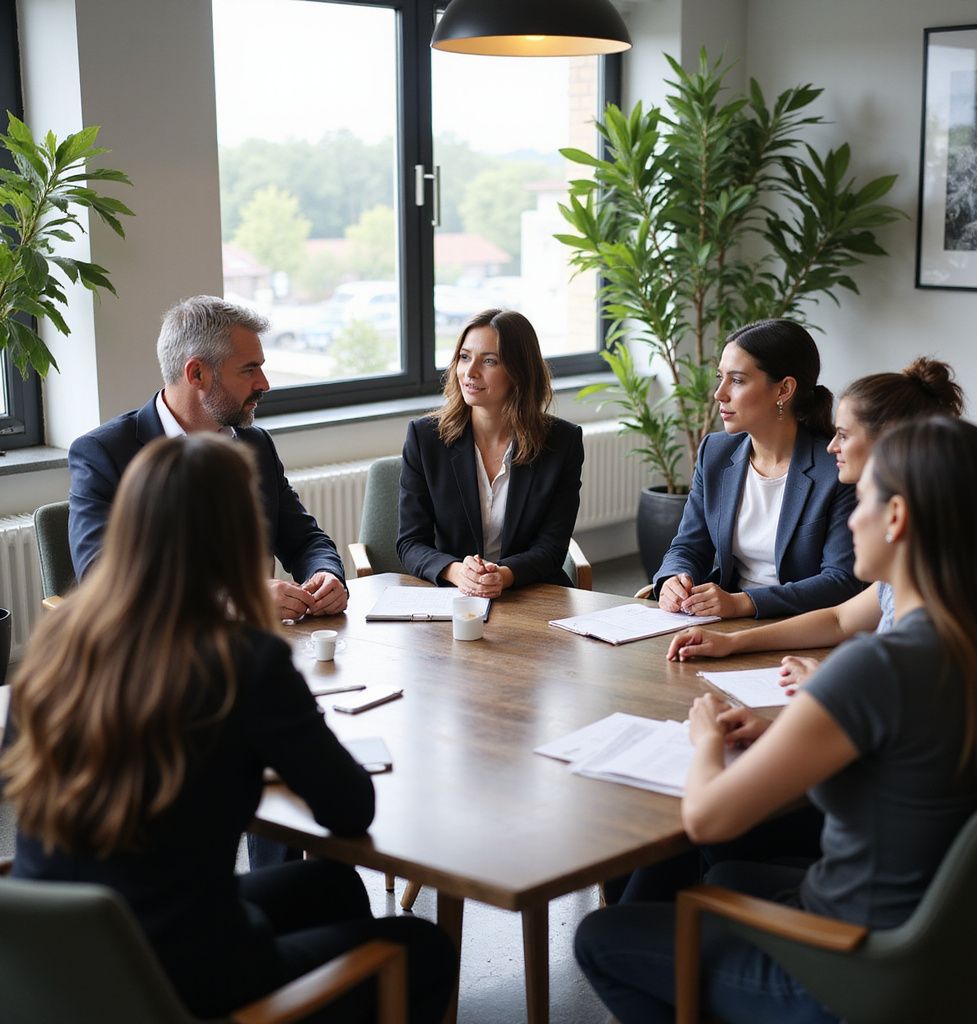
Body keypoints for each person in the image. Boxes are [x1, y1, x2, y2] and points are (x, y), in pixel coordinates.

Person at [576, 417, 977, 1023]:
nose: (851, 517)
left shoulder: (880, 666)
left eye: (861, 499)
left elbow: (708, 816)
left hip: (852, 973)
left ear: (895, 520)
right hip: (961, 953)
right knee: (729, 870)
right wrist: (795, 731)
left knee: (602, 937)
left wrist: (707, 739)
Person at [1, 435, 455, 1024]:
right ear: (235, 538)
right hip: (171, 983)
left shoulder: (55, 648)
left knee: (329, 889)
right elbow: (350, 807)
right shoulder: (242, 660)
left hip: (57, 957)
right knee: (424, 950)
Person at [667, 357, 964, 689]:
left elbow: (905, 688)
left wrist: (830, 684)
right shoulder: (916, 559)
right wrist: (732, 643)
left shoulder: (935, 579)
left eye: (843, 435)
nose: (832, 445)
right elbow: (840, 619)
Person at [68, 294, 348, 623]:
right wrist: (232, 602)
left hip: (259, 648)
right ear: (197, 374)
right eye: (249, 370)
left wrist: (326, 574)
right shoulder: (105, 454)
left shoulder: (255, 445)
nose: (265, 384)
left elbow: (304, 540)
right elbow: (102, 581)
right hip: (160, 659)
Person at [653, 319, 860, 620]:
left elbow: (841, 582)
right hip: (726, 620)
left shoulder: (837, 469)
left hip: (805, 628)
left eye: (736, 381)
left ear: (784, 389)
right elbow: (688, 546)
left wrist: (744, 602)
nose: (719, 394)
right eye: (720, 378)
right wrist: (674, 579)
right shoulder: (716, 452)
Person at [398, 308, 584, 597]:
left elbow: (551, 547)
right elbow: (410, 543)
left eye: (489, 361)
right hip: (452, 597)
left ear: (519, 372)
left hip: (530, 593)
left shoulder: (562, 443)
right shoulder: (425, 438)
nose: (470, 372)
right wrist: (458, 572)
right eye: (464, 357)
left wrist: (503, 575)